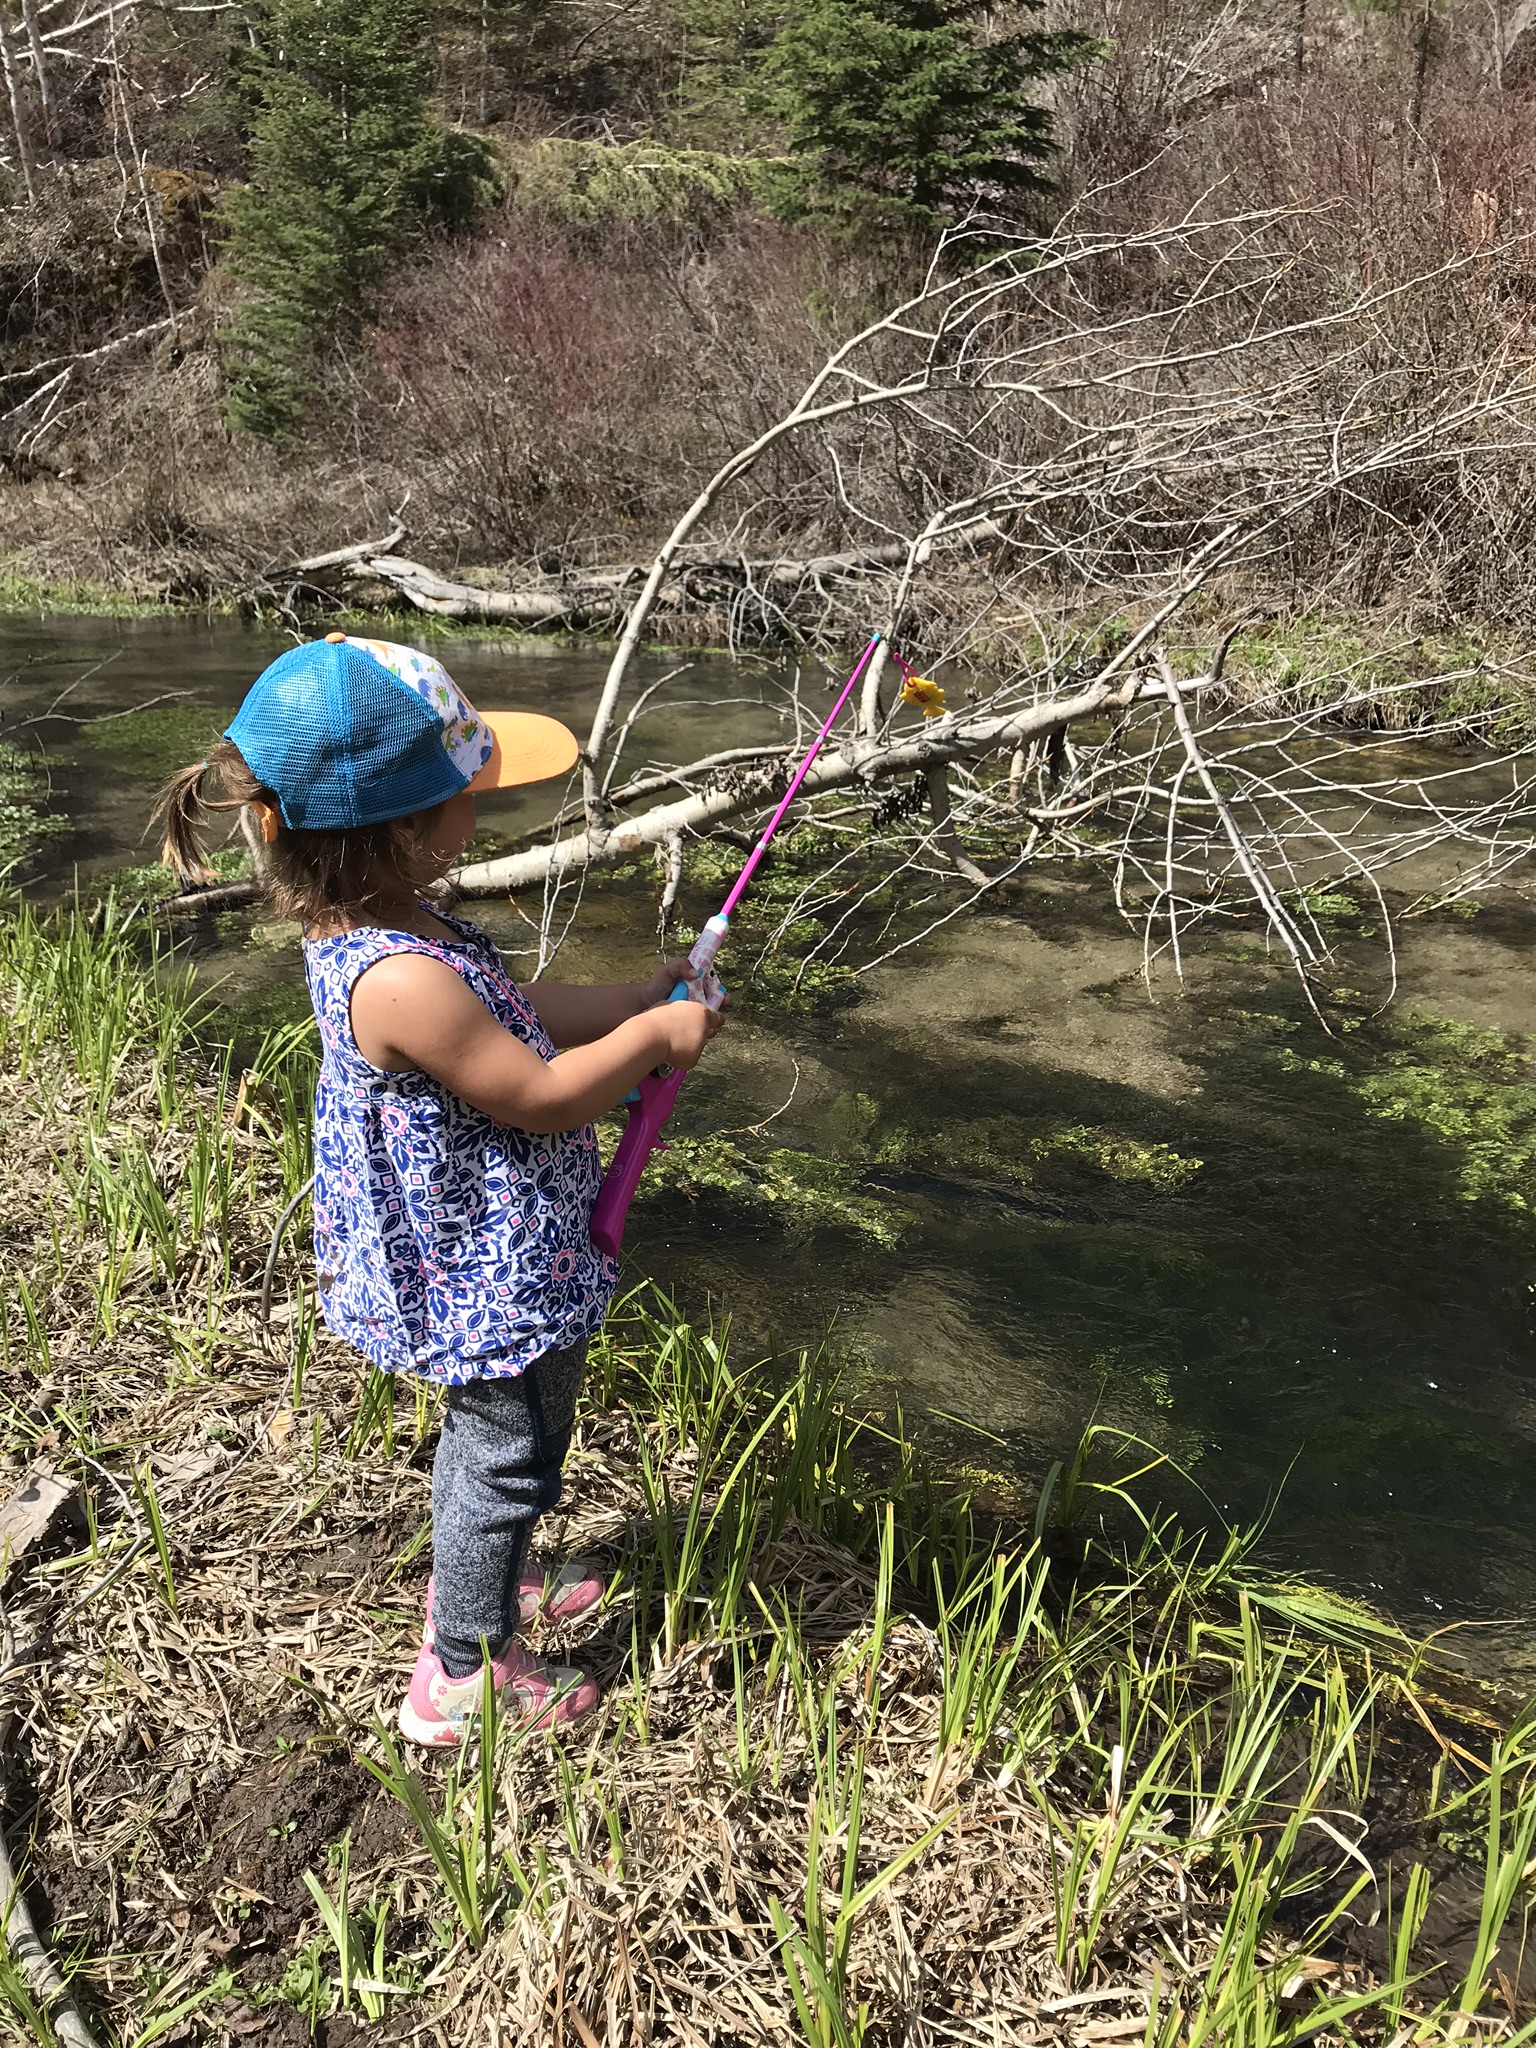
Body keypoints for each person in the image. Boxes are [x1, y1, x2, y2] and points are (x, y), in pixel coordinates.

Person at [153, 633, 724, 1747]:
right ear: (407, 827)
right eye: (472, 789)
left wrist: (631, 996)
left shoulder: (396, 926)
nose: (487, 806)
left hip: (500, 1251)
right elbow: (539, 1093)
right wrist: (657, 1036)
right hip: (481, 1269)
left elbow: (518, 1009)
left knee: (515, 1434)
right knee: (506, 1446)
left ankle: (488, 1575)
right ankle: (461, 1669)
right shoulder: (402, 976)